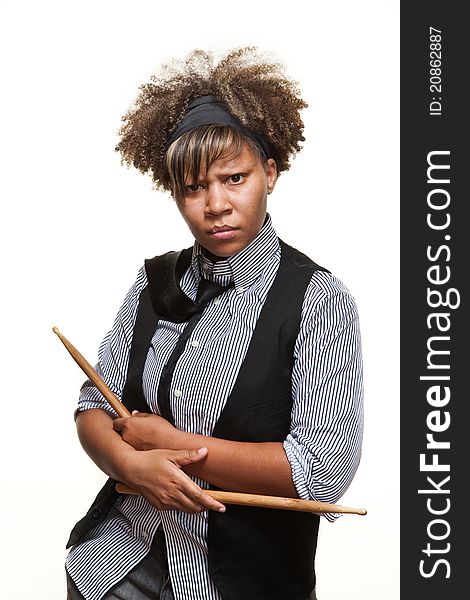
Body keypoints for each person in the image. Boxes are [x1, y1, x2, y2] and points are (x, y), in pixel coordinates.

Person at [65, 47, 364, 600]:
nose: (216, 204)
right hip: (113, 568)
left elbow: (323, 473)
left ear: (270, 172)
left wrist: (172, 443)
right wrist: (131, 463)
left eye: (234, 178)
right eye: (193, 187)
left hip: (242, 583)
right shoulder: (155, 280)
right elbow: (93, 406)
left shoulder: (316, 298)